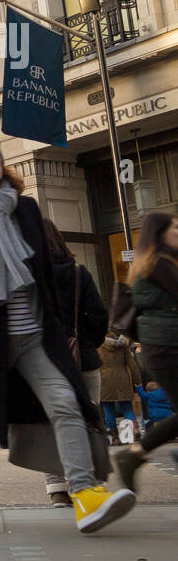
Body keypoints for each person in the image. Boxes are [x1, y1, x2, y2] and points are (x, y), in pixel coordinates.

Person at [0, 132, 131, 533]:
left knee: (65, 402)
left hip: (33, 336)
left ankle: (85, 494)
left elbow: (43, 274)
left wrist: (56, 327)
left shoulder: (26, 209)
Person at [40, 218, 109, 505]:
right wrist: (85, 342)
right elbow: (99, 317)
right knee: (89, 418)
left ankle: (57, 488)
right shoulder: (79, 274)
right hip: (83, 358)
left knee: (49, 423)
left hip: (44, 362)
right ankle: (91, 484)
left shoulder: (29, 277)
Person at [114, 211, 178, 493]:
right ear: (161, 232)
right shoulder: (159, 264)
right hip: (167, 349)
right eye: (175, 227)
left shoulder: (156, 263)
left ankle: (135, 455)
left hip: (164, 348)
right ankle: (133, 455)